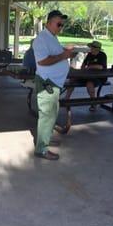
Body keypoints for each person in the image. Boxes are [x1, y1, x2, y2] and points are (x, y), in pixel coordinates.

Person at [32, 10, 75, 161]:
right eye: (58, 24)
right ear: (48, 23)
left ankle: (45, 140)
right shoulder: (41, 39)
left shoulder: (52, 38)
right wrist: (64, 56)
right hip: (47, 83)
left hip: (54, 83)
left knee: (52, 115)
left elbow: (56, 52)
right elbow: (43, 61)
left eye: (62, 25)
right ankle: (41, 149)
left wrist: (67, 52)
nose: (60, 27)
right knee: (47, 116)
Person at [79, 40, 107, 111]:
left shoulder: (102, 55)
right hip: (88, 75)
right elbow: (83, 64)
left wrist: (89, 67)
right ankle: (67, 98)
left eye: (91, 47)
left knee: (89, 84)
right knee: (72, 79)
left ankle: (93, 103)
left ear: (96, 49)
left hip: (99, 77)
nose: (90, 49)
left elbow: (101, 67)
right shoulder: (89, 54)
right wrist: (82, 70)